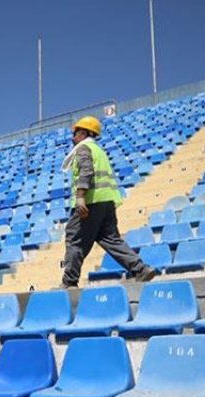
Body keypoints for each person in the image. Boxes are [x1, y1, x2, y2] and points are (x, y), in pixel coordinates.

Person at [59, 115, 157, 288]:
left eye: (75, 133)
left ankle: (69, 282)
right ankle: (141, 269)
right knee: (111, 239)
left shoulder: (83, 148)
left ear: (83, 133)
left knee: (74, 238)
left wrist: (80, 197)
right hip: (107, 203)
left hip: (90, 202)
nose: (72, 138)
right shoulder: (99, 150)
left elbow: (86, 172)